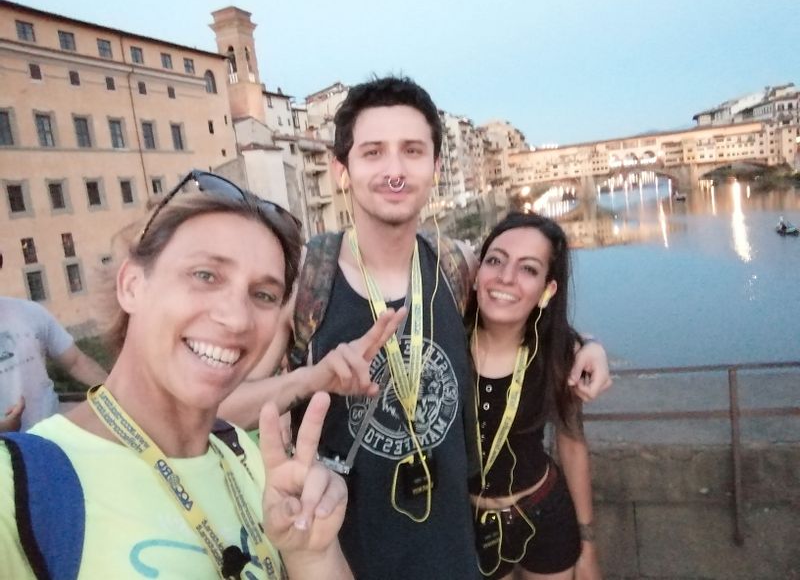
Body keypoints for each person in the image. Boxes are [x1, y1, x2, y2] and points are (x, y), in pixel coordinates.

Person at [220, 76, 611, 580]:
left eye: (411, 151)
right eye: (373, 152)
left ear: (434, 167)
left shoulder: (455, 266)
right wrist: (312, 379)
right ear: (343, 170)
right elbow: (225, 407)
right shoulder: (306, 281)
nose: (395, 170)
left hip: (454, 556)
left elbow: (521, 308)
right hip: (342, 559)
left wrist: (586, 345)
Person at [0, 173, 402, 579]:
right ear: (131, 285)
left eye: (263, 294)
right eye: (205, 275)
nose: (235, 318)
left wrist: (311, 555)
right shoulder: (17, 487)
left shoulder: (251, 462)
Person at [468, 212, 601, 579]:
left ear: (547, 289)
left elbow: (572, 444)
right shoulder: (447, 343)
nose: (505, 277)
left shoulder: (558, 356)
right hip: (466, 525)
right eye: (495, 260)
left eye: (528, 269)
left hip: (543, 515)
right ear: (477, 272)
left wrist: (587, 547)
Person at [0, 296, 108, 431]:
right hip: (6, 447)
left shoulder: (30, 312)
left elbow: (76, 362)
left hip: (54, 435)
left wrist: (115, 391)